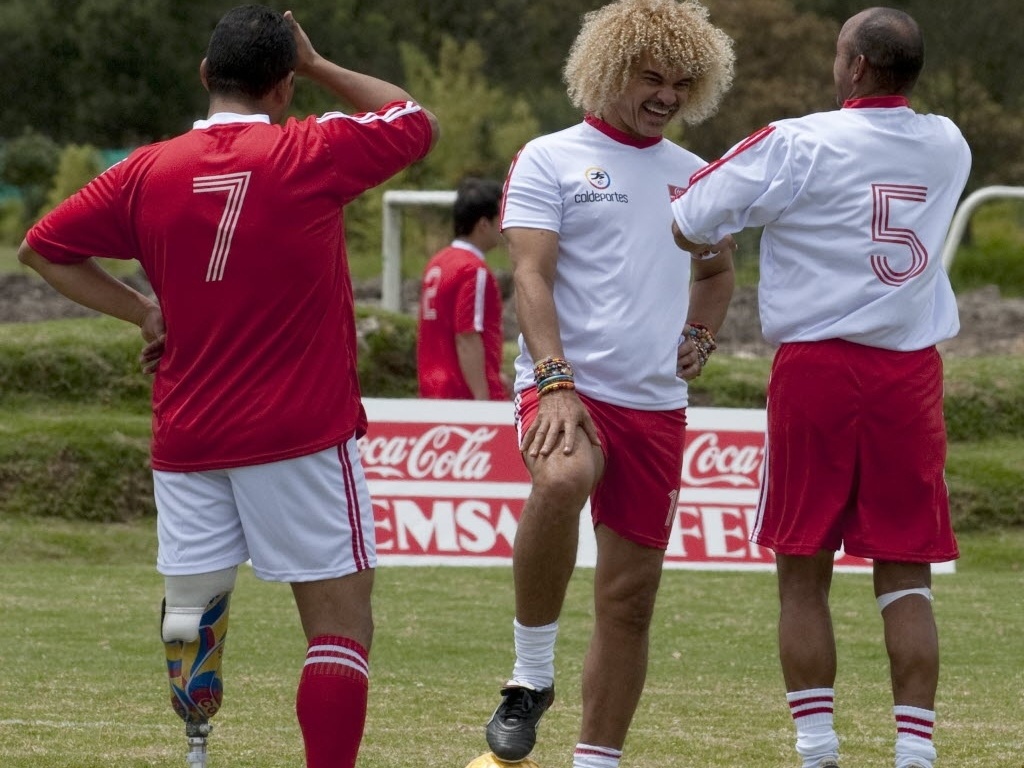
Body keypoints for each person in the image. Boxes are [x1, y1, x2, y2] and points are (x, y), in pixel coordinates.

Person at [18, 6, 439, 768]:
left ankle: (197, 747)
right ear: (282, 88)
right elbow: (412, 118)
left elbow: (42, 248)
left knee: (192, 614)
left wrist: (145, 313)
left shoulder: (145, 169)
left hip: (186, 436)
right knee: (340, 629)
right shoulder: (311, 150)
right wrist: (319, 65)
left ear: (205, 76)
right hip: (298, 433)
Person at [670, 8, 969, 768]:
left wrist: (720, 233)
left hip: (819, 371)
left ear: (857, 67)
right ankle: (914, 754)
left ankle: (817, 749)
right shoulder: (949, 144)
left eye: (840, 52)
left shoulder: (799, 139)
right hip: (909, 374)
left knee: (802, 570)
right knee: (907, 573)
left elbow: (689, 215)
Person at [482, 2, 735, 767]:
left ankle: (598, 759)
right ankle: (529, 679)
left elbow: (718, 271)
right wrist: (555, 380)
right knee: (562, 480)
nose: (666, 95)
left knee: (629, 601)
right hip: (568, 388)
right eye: (650, 76)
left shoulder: (697, 176)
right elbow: (531, 272)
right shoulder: (550, 157)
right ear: (607, 69)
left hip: (656, 406)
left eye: (682, 83)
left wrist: (700, 334)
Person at [416, 176, 510, 400]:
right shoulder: (473, 270)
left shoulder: (437, 262)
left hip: (433, 388)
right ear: (484, 224)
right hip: (462, 392)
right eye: (500, 217)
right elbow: (467, 336)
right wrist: (481, 398)